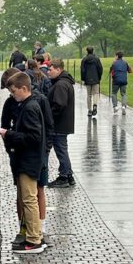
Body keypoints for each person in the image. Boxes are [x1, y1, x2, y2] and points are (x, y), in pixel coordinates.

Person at [2, 67, 54, 244]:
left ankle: (35, 236)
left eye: (13, 91)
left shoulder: (33, 105)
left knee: (31, 197)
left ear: (23, 88)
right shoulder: (21, 104)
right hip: (22, 156)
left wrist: (9, 135)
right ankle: (30, 232)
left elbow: (38, 135)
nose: (12, 95)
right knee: (26, 196)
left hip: (31, 158)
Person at [46, 58, 76, 188]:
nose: (48, 72)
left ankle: (64, 176)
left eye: (50, 69)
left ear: (58, 69)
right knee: (62, 149)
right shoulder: (62, 82)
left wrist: (49, 117)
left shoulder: (61, 84)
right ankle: (68, 175)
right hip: (62, 123)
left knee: (61, 150)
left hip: (59, 124)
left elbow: (59, 105)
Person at [80, 47, 103, 118]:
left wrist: (83, 78)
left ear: (87, 51)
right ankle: (95, 105)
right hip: (96, 78)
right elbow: (100, 68)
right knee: (96, 93)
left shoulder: (84, 60)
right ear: (93, 51)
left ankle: (89, 110)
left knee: (89, 95)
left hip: (87, 78)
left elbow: (82, 70)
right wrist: (99, 77)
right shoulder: (97, 59)